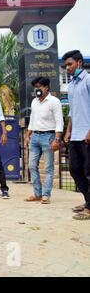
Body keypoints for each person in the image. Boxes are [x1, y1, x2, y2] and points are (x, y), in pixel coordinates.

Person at [25, 77, 63, 204]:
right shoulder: (34, 101)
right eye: (36, 87)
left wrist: (57, 139)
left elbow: (59, 121)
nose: (37, 89)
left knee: (48, 167)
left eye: (40, 86)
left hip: (49, 136)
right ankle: (37, 193)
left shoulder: (54, 101)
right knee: (31, 165)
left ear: (47, 87)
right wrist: (28, 135)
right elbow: (32, 119)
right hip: (35, 136)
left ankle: (46, 194)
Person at [63, 50, 90, 220]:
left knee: (89, 171)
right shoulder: (72, 85)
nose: (67, 68)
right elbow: (73, 111)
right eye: (65, 65)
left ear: (79, 63)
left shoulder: (88, 80)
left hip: (87, 134)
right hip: (75, 135)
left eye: (70, 64)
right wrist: (68, 131)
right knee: (74, 169)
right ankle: (88, 201)